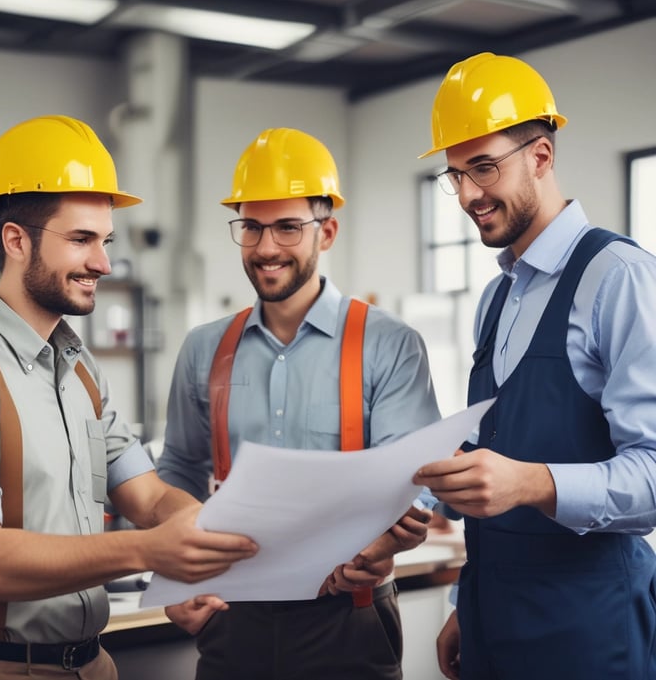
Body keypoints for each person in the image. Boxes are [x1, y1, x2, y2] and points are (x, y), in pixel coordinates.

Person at [0, 115, 258, 680]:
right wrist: (150, 551)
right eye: (82, 240)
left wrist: (208, 542)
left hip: (89, 663)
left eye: (105, 241)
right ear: (16, 240)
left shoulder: (81, 369)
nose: (103, 263)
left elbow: (150, 497)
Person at [157, 127, 441, 680]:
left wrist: (384, 542)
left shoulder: (389, 344)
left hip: (350, 615)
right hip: (233, 614)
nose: (266, 248)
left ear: (326, 232)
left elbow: (416, 479)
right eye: (252, 227)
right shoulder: (204, 348)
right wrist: (174, 573)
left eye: (288, 227)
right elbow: (180, 469)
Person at [412, 52, 656, 679]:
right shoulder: (496, 299)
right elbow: (498, 450)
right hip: (493, 619)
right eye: (456, 175)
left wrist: (533, 484)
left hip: (590, 627)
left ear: (541, 156)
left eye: (484, 167)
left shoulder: (621, 279)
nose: (469, 194)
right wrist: (466, 601)